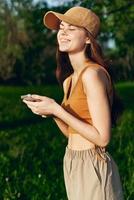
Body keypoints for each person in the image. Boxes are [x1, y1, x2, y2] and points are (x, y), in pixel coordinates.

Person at [23, 6, 124, 200]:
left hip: (93, 163)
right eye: (61, 27)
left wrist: (57, 110)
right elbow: (72, 132)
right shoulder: (69, 80)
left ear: (88, 38)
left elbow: (103, 138)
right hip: (72, 159)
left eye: (71, 28)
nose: (63, 32)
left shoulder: (93, 75)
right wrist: (52, 113)